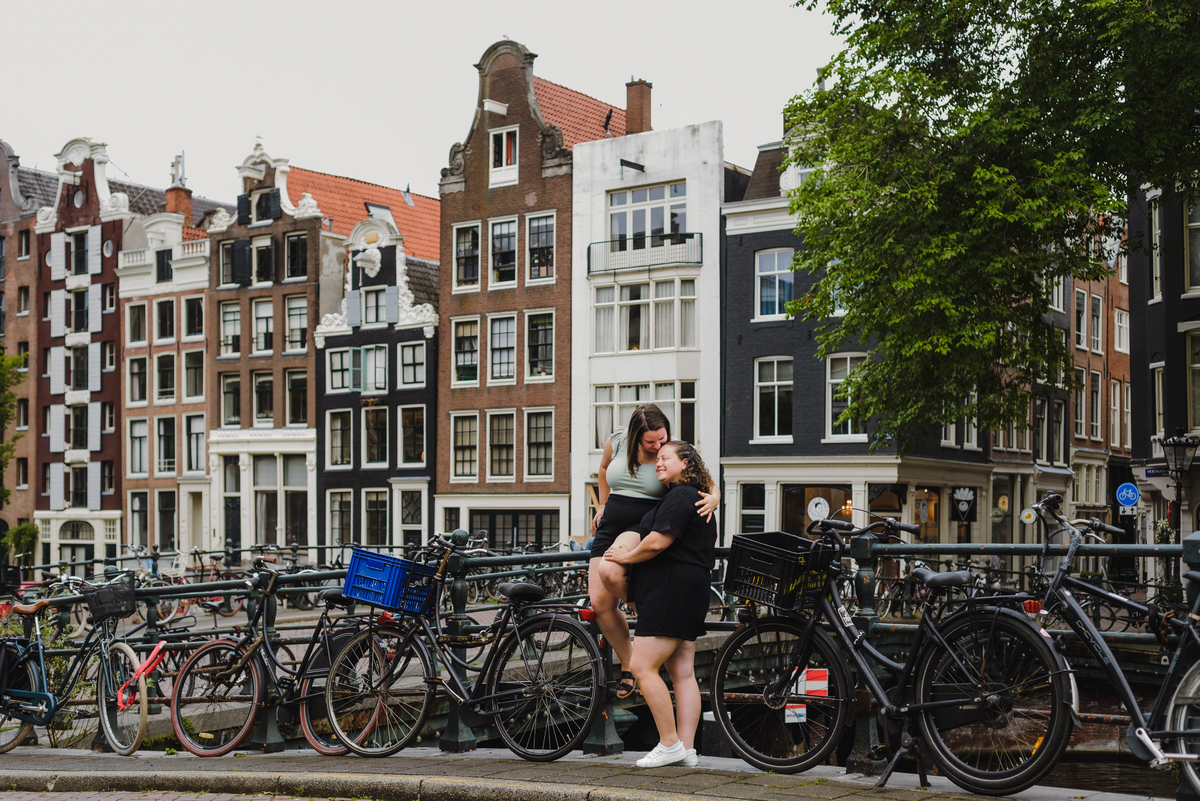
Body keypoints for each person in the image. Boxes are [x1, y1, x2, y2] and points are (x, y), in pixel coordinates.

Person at [589, 404, 717, 700]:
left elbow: (707, 481)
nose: (658, 445)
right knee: (600, 603)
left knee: (611, 571)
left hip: (643, 523)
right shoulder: (617, 441)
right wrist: (602, 505)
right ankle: (628, 662)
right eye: (651, 442)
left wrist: (714, 500)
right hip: (611, 522)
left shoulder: (670, 452)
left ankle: (650, 621)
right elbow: (605, 469)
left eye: (662, 439)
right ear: (636, 435)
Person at [602, 440, 717, 768]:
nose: (659, 463)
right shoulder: (697, 498)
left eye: (666, 458)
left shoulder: (680, 496)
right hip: (692, 589)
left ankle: (669, 744)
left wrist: (627, 555)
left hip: (671, 590)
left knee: (640, 666)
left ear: (686, 463)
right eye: (658, 458)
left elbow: (657, 542)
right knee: (682, 672)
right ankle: (688, 750)